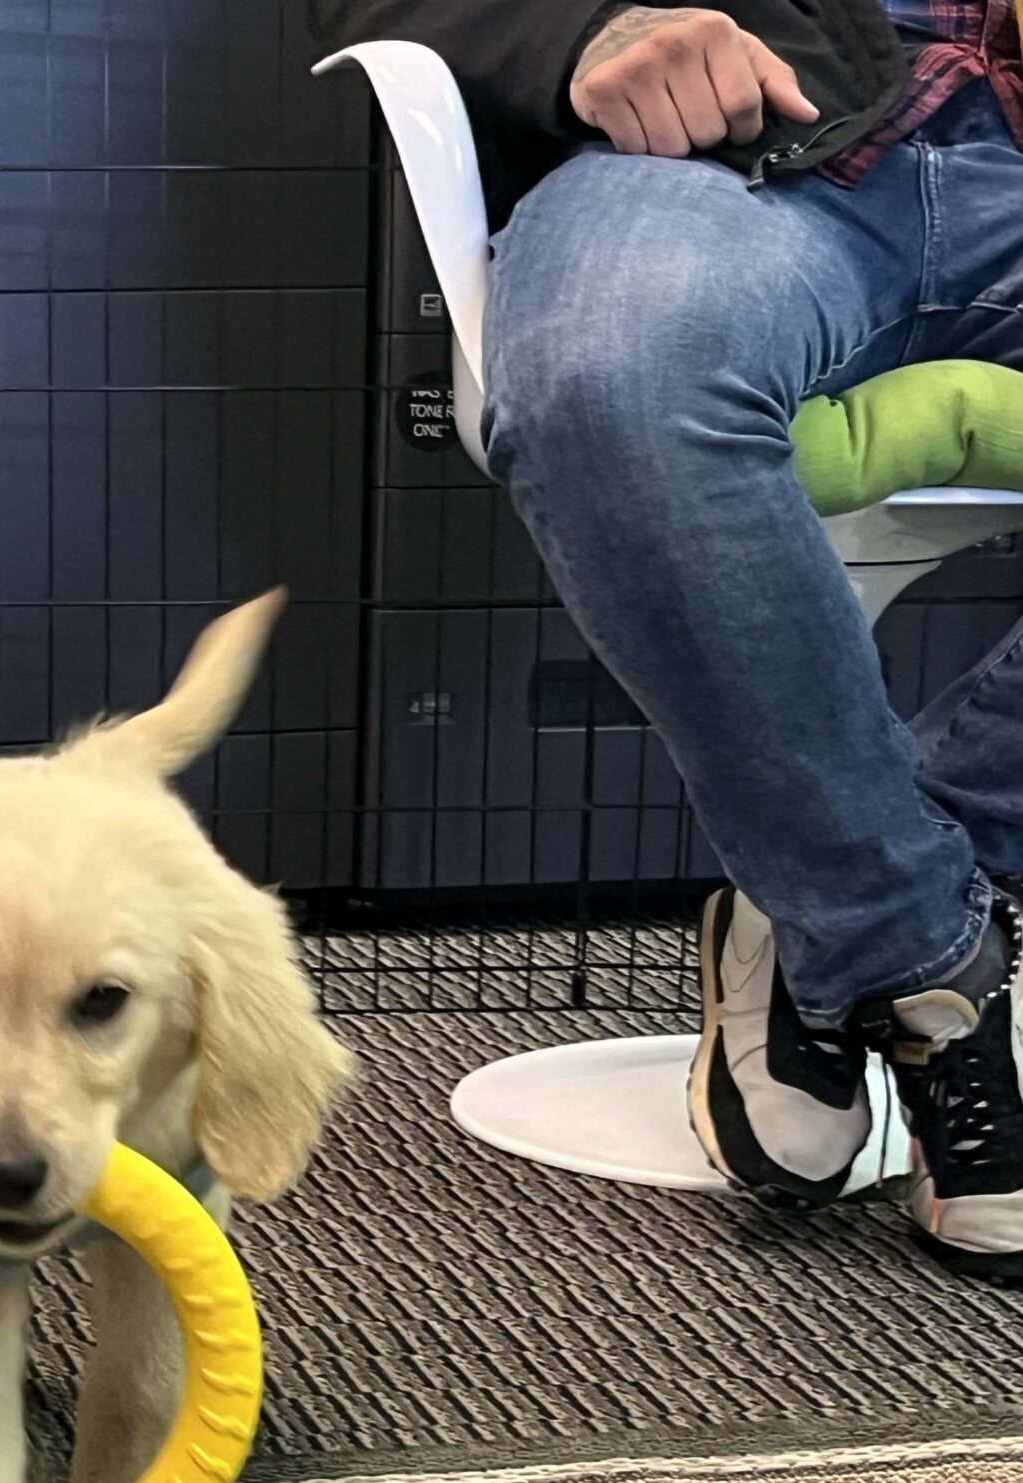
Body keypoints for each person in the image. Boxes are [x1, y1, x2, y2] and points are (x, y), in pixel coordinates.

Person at [314, 0, 1023, 1281]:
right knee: (614, 373)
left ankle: (847, 901)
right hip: (745, 147)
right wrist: (597, 27)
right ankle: (929, 963)